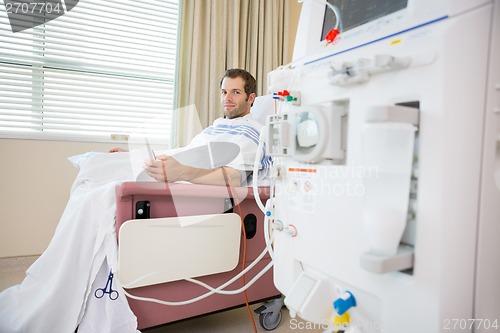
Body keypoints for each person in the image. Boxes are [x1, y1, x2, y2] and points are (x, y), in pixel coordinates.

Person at [0, 68, 270, 333]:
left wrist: (182, 172)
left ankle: (68, 288)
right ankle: (63, 282)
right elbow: (182, 154)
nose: (228, 98)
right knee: (96, 168)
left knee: (100, 196)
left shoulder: (254, 132)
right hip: (179, 179)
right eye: (224, 92)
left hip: (196, 191)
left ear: (251, 98)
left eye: (236, 92)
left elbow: (233, 178)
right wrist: (133, 155)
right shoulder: (214, 129)